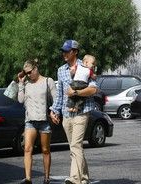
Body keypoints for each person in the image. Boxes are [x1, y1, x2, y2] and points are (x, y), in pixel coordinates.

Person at [50, 40, 98, 184]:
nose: (64, 54)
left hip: (82, 112)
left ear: (75, 52)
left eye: (67, 51)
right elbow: (59, 94)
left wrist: (75, 91)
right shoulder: (61, 70)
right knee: (74, 147)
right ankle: (84, 177)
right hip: (66, 113)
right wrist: (54, 111)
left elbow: (93, 89)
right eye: (63, 51)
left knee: (76, 145)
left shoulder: (85, 67)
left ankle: (75, 178)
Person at [18, 59, 56, 184]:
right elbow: (20, 100)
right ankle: (28, 178)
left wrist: (53, 112)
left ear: (35, 69)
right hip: (30, 121)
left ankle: (46, 177)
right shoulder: (27, 84)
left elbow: (55, 100)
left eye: (30, 72)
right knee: (27, 149)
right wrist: (20, 83)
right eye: (26, 73)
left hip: (44, 120)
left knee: (45, 150)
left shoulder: (47, 81)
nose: (28, 75)